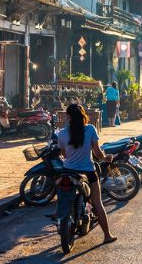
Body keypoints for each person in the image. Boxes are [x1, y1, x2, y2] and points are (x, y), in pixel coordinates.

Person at [57, 104, 117, 244]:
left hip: (68, 171)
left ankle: (59, 218)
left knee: (62, 197)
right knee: (97, 202)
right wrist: (106, 158)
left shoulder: (62, 133)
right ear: (83, 115)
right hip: (88, 172)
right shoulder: (90, 129)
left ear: (68, 117)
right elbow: (97, 153)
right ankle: (107, 235)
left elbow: (64, 155)